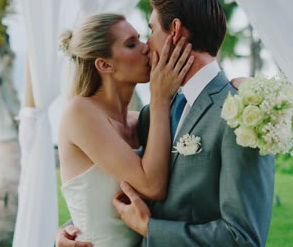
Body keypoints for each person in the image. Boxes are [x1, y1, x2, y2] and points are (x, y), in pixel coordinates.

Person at [57, 0, 275, 247]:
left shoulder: (243, 113)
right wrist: (73, 229)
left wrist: (150, 228)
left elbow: (243, 239)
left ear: (175, 31)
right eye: (132, 43)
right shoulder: (154, 115)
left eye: (149, 31)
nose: (147, 46)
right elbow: (112, 190)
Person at [56, 13, 194, 247]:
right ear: (105, 64)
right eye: (131, 44)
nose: (146, 47)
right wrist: (159, 97)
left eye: (141, 38)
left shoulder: (138, 120)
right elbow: (152, 187)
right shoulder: (79, 112)